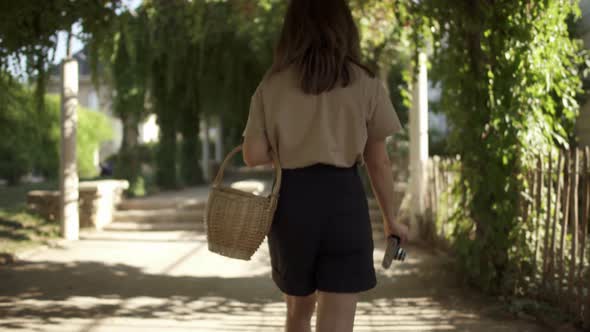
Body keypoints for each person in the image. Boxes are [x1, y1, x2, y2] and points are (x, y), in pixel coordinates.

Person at [241, 0, 409, 331]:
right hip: (344, 202)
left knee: (298, 314)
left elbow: (252, 154)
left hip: (292, 204)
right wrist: (391, 220)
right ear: (345, 27)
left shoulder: (272, 84)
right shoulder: (366, 82)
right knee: (338, 322)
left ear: (292, 30)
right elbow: (379, 161)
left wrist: (292, 146)